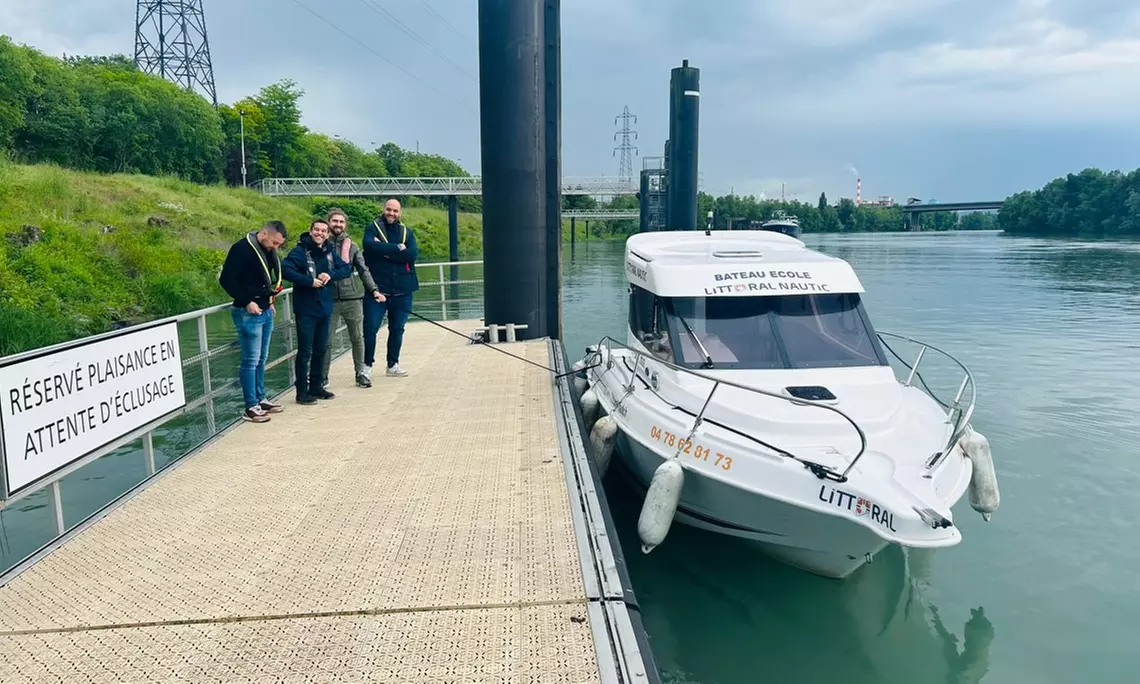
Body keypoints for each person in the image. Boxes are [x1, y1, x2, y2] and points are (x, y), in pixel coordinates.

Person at [219, 220, 287, 423]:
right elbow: (226, 279)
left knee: (261, 358)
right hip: (248, 312)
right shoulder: (241, 249)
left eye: (279, 245)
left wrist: (270, 300)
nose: (276, 248)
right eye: (274, 243)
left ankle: (260, 397)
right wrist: (246, 301)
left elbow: (266, 280)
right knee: (250, 359)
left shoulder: (267, 250)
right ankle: (250, 406)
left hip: (265, 309)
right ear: (264, 233)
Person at [281, 219, 354, 404]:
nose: (320, 233)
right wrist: (308, 281)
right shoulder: (300, 251)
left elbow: (346, 268)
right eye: (317, 230)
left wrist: (330, 275)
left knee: (321, 349)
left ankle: (316, 386)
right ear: (310, 231)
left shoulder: (329, 252)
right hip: (306, 309)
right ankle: (301, 391)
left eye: (323, 231)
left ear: (328, 234)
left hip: (324, 307)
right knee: (305, 351)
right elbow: (286, 270)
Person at [321, 207, 385, 389]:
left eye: (341, 222)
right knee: (326, 340)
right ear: (329, 222)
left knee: (357, 337)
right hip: (329, 298)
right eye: (335, 221)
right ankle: (323, 377)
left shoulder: (353, 246)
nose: (338, 225)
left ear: (345, 224)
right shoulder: (321, 244)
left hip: (351, 298)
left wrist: (374, 290)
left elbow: (363, 270)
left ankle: (361, 373)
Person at [362, 198, 419, 379]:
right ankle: (367, 366)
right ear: (384, 209)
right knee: (370, 329)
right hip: (378, 292)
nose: (391, 213)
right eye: (389, 209)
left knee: (397, 329)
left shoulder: (407, 232)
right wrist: (396, 249)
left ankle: (393, 364)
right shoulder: (372, 228)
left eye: (395, 211)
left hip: (402, 291)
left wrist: (384, 252)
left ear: (400, 212)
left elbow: (412, 255)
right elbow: (369, 246)